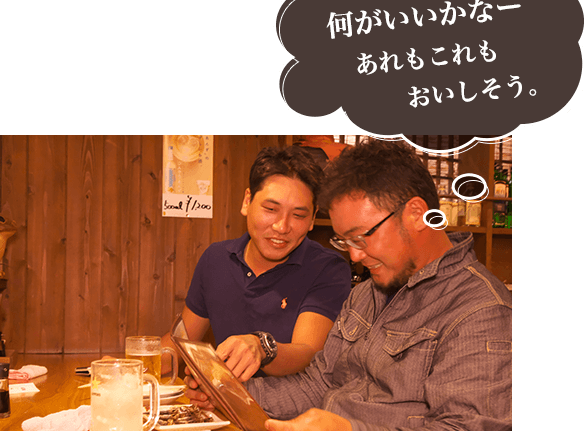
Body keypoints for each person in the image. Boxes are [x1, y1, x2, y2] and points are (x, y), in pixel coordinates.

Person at [187, 139, 512, 430]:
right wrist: (229, 392)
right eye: (345, 241)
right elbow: (317, 385)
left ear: (415, 214)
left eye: (362, 237)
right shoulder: (368, 293)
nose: (354, 256)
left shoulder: (481, 311)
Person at [162, 145, 352, 382]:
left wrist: (262, 347)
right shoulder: (215, 259)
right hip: (224, 398)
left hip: (291, 404)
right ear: (247, 201)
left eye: (299, 215)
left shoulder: (328, 268)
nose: (282, 227)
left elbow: (307, 353)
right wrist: (133, 368)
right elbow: (180, 341)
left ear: (313, 219)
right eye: (271, 209)